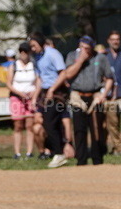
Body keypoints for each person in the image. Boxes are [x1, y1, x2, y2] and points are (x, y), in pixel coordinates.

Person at [60, 35, 115, 166]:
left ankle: (97, 159)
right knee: (79, 129)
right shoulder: (72, 56)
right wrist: (80, 61)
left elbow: (109, 78)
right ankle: (81, 160)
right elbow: (67, 74)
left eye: (87, 48)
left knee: (96, 129)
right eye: (82, 47)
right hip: (77, 97)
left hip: (95, 96)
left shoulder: (100, 58)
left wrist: (104, 95)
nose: (84, 50)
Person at [28, 32, 71, 167]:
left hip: (57, 91)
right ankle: (58, 152)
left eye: (34, 45)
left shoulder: (53, 54)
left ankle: (59, 153)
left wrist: (52, 90)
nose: (33, 49)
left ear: (41, 43)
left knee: (49, 122)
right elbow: (40, 79)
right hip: (46, 92)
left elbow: (63, 73)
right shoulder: (36, 57)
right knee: (51, 123)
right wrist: (35, 96)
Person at [6, 42, 41, 159]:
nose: (23, 54)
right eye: (21, 51)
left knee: (30, 125)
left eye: (26, 51)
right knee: (18, 125)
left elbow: (38, 82)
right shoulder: (13, 66)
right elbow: (9, 84)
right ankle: (17, 152)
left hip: (30, 98)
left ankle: (29, 152)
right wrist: (20, 93)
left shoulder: (34, 65)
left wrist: (34, 93)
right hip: (17, 97)